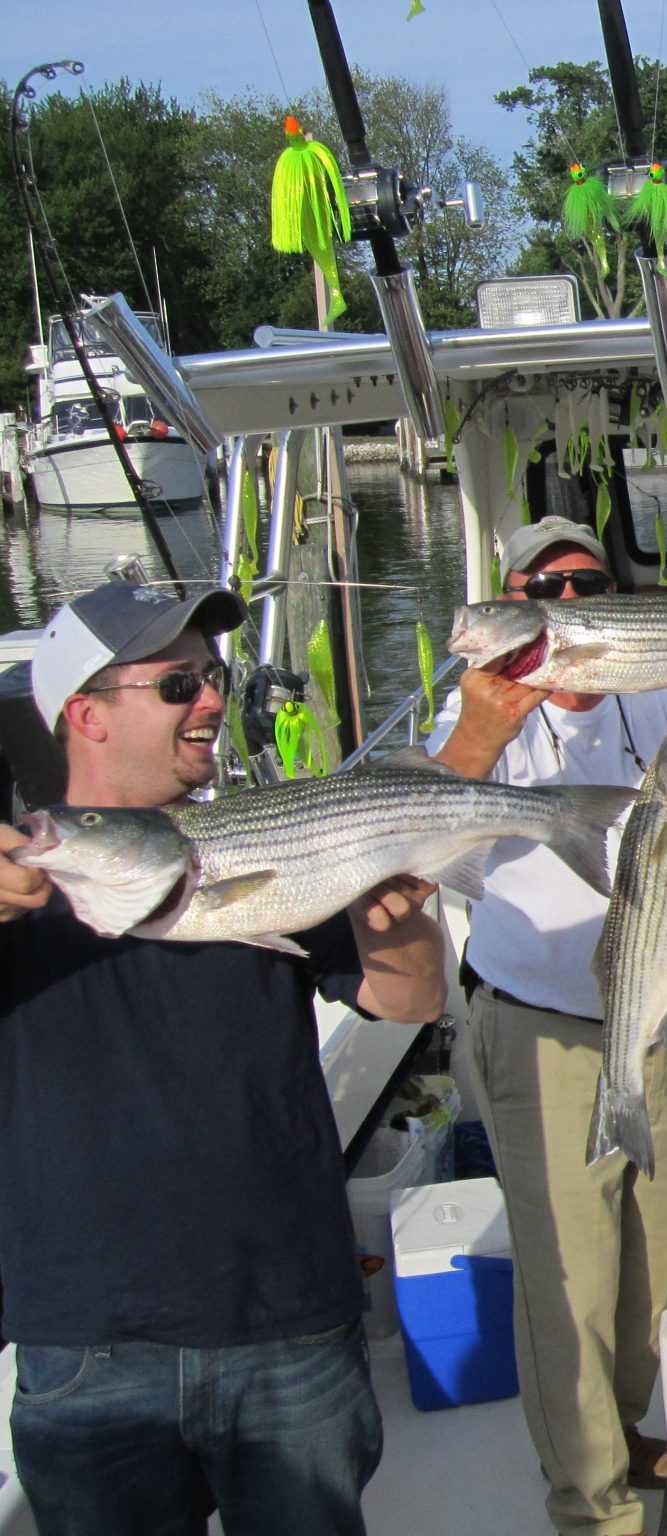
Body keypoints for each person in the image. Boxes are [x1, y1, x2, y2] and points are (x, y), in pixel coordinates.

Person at [0, 579, 446, 1536]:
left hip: (288, 1316)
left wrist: (393, 920)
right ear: (86, 713)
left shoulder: (270, 842)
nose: (210, 702)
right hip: (88, 1344)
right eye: (175, 686)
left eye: (214, 677)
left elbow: (411, 999)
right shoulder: (14, 881)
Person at [428, 515, 667, 1536]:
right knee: (570, 1295)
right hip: (535, 1040)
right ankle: (595, 1509)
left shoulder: (662, 693)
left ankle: (626, 1434)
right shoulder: (474, 726)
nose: (571, 605)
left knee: (659, 1281)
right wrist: (478, 735)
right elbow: (417, 844)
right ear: (511, 603)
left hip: (661, 1024)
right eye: (545, 589)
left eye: (589, 584)